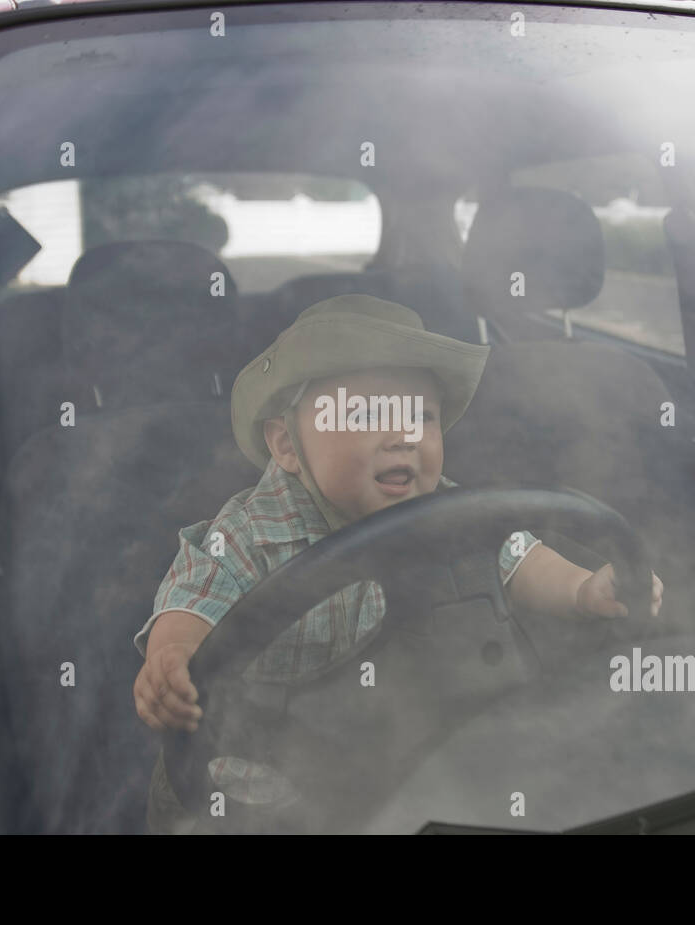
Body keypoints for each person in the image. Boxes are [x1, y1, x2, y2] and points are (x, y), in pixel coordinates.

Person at [132, 294, 662, 832]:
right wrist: (174, 657)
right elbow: (192, 604)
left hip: (388, 753)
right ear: (287, 445)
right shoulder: (248, 533)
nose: (403, 436)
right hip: (248, 787)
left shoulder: (449, 511)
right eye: (365, 414)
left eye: (421, 416)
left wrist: (584, 589)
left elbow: (522, 562)